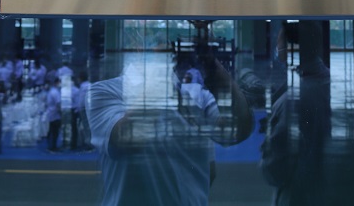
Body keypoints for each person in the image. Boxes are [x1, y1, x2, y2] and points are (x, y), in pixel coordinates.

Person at [87, 53, 253, 205]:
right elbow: (127, 137)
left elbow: (237, 130)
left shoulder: (196, 95)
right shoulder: (104, 91)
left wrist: (212, 66)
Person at [260, 21, 354, 205]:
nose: (277, 47)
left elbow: (274, 171)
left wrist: (269, 141)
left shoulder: (290, 102)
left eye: (279, 42)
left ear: (291, 48)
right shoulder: (343, 90)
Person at [45, 76, 63, 152]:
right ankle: (53, 147)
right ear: (57, 83)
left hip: (51, 113)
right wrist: (61, 113)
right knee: (55, 132)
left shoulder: (52, 91)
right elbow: (58, 104)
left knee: (52, 131)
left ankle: (51, 146)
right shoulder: (55, 92)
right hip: (55, 114)